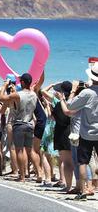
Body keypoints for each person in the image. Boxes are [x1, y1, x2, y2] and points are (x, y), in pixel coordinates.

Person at [57, 62, 98, 200]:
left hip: (87, 133)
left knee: (82, 162)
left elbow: (69, 106)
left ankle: (84, 190)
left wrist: (74, 90)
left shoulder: (87, 93)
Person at [0, 73, 40, 183]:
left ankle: (22, 176)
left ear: (22, 82)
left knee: (19, 150)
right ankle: (39, 173)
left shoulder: (18, 95)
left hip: (19, 123)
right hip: (30, 123)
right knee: (31, 151)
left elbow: (1, 98)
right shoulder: (34, 94)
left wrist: (4, 86)